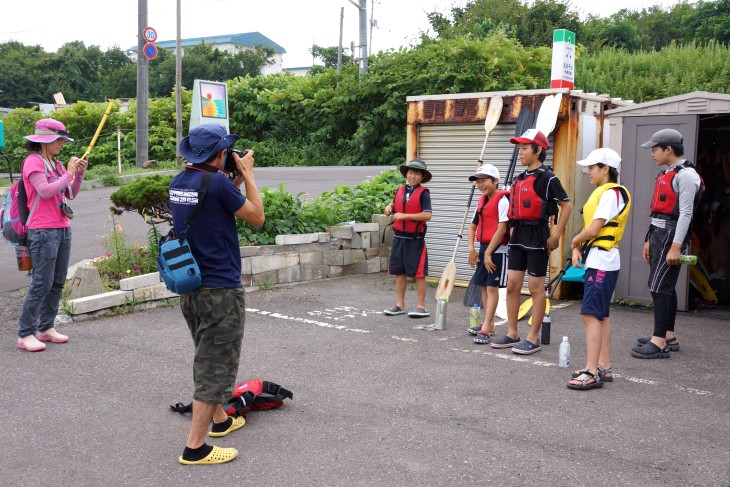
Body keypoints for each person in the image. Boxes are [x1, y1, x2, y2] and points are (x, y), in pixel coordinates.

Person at [170, 124, 264, 465]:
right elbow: (257, 217)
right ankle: (195, 447)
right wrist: (248, 175)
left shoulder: (180, 182)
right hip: (220, 290)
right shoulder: (219, 184)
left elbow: (214, 203)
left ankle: (221, 421)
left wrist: (232, 179)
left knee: (208, 354)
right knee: (214, 365)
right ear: (220, 154)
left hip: (191, 287)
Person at [491, 129, 572, 355]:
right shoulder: (519, 178)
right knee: (513, 285)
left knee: (536, 288)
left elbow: (567, 205)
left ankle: (533, 337)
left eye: (525, 148)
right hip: (518, 236)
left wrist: (556, 236)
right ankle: (512, 333)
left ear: (538, 150)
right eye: (519, 148)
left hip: (538, 236)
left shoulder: (548, 178)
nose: (520, 152)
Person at [16, 119, 87, 352]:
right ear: (45, 141)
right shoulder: (33, 162)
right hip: (42, 230)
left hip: (62, 227)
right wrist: (68, 173)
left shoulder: (55, 163)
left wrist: (79, 175)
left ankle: (46, 327)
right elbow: (45, 191)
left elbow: (70, 194)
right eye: (59, 140)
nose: (62, 144)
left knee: (57, 281)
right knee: (41, 282)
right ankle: (25, 334)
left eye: (63, 140)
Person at [632, 129, 703, 359]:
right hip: (658, 234)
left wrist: (675, 245)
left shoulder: (686, 175)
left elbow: (686, 214)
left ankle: (659, 342)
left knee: (658, 287)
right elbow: (658, 213)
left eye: (655, 149)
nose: (652, 154)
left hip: (671, 236)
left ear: (668, 149)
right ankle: (668, 335)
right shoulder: (668, 172)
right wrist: (647, 240)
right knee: (666, 286)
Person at [567, 148, 631, 390]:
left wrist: (574, 241)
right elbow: (593, 232)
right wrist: (578, 247)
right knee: (600, 314)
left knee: (591, 314)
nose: (588, 172)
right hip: (601, 258)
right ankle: (604, 365)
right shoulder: (606, 193)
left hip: (603, 261)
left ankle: (592, 371)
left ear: (606, 169)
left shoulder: (611, 193)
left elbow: (594, 229)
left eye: (592, 168)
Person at [383, 159, 433, 318]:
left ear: (422, 176)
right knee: (399, 271)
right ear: (406, 174)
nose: (413, 175)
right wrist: (389, 207)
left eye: (416, 173)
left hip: (415, 239)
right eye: (410, 172)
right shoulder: (400, 189)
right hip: (399, 237)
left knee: (418, 273)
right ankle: (400, 305)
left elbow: (428, 215)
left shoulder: (424, 193)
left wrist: (405, 215)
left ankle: (421, 307)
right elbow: (395, 205)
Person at [465, 164, 509, 344]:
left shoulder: (503, 201)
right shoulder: (482, 201)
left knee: (492, 288)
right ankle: (489, 324)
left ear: (495, 181)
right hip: (484, 248)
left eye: (484, 181)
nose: (480, 185)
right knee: (483, 285)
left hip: (498, 250)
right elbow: (472, 226)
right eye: (478, 181)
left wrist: (489, 253)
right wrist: (471, 249)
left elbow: (501, 229)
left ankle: (487, 327)